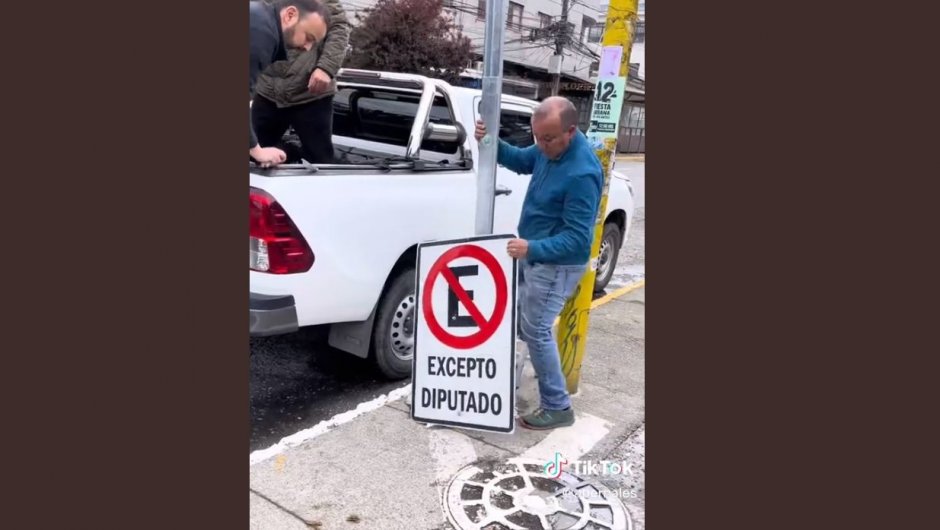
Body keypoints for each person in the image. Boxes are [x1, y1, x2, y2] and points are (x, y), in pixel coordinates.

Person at [474, 97, 603, 430]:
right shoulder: (549, 148)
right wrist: (489, 141)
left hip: (557, 265)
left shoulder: (582, 173)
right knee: (524, 325)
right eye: (537, 137)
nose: (541, 145)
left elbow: (579, 240)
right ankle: (514, 380)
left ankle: (558, 407)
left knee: (537, 331)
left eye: (548, 139)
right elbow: (520, 160)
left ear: (570, 132)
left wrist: (531, 247)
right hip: (535, 255)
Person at [252, 0, 350, 164]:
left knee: (320, 158)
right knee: (254, 150)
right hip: (268, 90)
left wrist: (326, 68)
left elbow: (339, 28)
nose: (307, 46)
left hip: (310, 93)